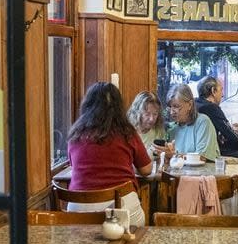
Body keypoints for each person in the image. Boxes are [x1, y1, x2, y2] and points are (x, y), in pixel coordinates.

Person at [67, 82, 152, 227]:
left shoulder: (75, 134)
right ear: (119, 107)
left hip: (79, 210)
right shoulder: (127, 132)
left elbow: (72, 165)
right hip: (121, 209)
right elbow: (146, 170)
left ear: (87, 105)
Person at [153, 83, 220, 162]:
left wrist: (174, 156)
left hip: (201, 173)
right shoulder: (171, 128)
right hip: (177, 172)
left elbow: (202, 157)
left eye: (176, 106)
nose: (171, 112)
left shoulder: (203, 122)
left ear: (190, 104)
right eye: (170, 107)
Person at [195, 75, 238, 160]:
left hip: (197, 150)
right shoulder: (212, 108)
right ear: (213, 91)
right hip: (211, 153)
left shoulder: (195, 104)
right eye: (221, 90)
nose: (222, 95)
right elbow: (231, 136)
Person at [127, 91, 167, 159]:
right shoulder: (128, 131)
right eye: (147, 114)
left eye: (155, 114)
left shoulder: (159, 131)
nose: (151, 119)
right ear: (137, 113)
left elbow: (160, 159)